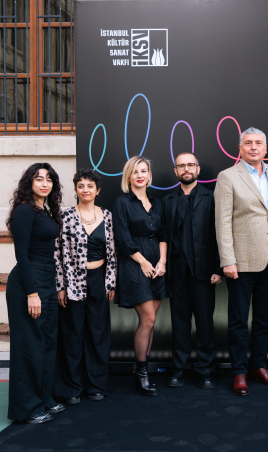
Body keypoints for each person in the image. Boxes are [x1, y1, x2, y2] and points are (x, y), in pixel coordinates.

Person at [215, 127, 268, 397]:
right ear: (240, 148)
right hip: (240, 261)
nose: (254, 147)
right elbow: (222, 221)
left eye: (258, 143)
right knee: (238, 320)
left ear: (265, 148)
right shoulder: (228, 176)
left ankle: (259, 366)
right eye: (248, 143)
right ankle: (239, 372)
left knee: (265, 318)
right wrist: (227, 260)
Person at [5, 163, 65, 424]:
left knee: (47, 342)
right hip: (28, 281)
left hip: (47, 278)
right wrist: (31, 293)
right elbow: (21, 254)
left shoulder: (46, 210)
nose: (44, 183)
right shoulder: (24, 211)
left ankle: (45, 398)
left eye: (49, 179)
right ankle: (28, 408)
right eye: (39, 179)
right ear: (29, 182)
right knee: (28, 345)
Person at [54, 169, 116, 404]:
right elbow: (57, 254)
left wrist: (110, 281)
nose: (85, 190)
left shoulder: (107, 216)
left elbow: (113, 252)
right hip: (73, 281)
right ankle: (72, 387)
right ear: (76, 190)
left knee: (97, 333)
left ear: (98, 190)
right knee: (73, 333)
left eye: (90, 186)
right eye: (81, 186)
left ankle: (96, 385)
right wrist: (60, 286)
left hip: (99, 279)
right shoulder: (65, 215)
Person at [163, 152, 223, 390]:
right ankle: (179, 369)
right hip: (176, 270)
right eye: (181, 166)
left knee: (205, 321)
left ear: (198, 169)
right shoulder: (167, 201)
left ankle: (206, 370)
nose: (186, 169)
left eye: (190, 165)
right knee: (179, 322)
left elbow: (220, 234)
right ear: (176, 171)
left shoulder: (212, 197)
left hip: (204, 270)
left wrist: (218, 267)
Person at [113, 156, 167, 397]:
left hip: (158, 265)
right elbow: (122, 237)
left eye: (144, 171)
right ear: (128, 176)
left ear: (149, 175)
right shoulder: (122, 202)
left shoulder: (157, 202)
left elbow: (164, 234)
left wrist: (162, 262)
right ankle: (142, 374)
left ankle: (140, 369)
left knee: (151, 320)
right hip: (134, 263)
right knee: (148, 319)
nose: (140, 175)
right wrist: (144, 262)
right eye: (135, 172)